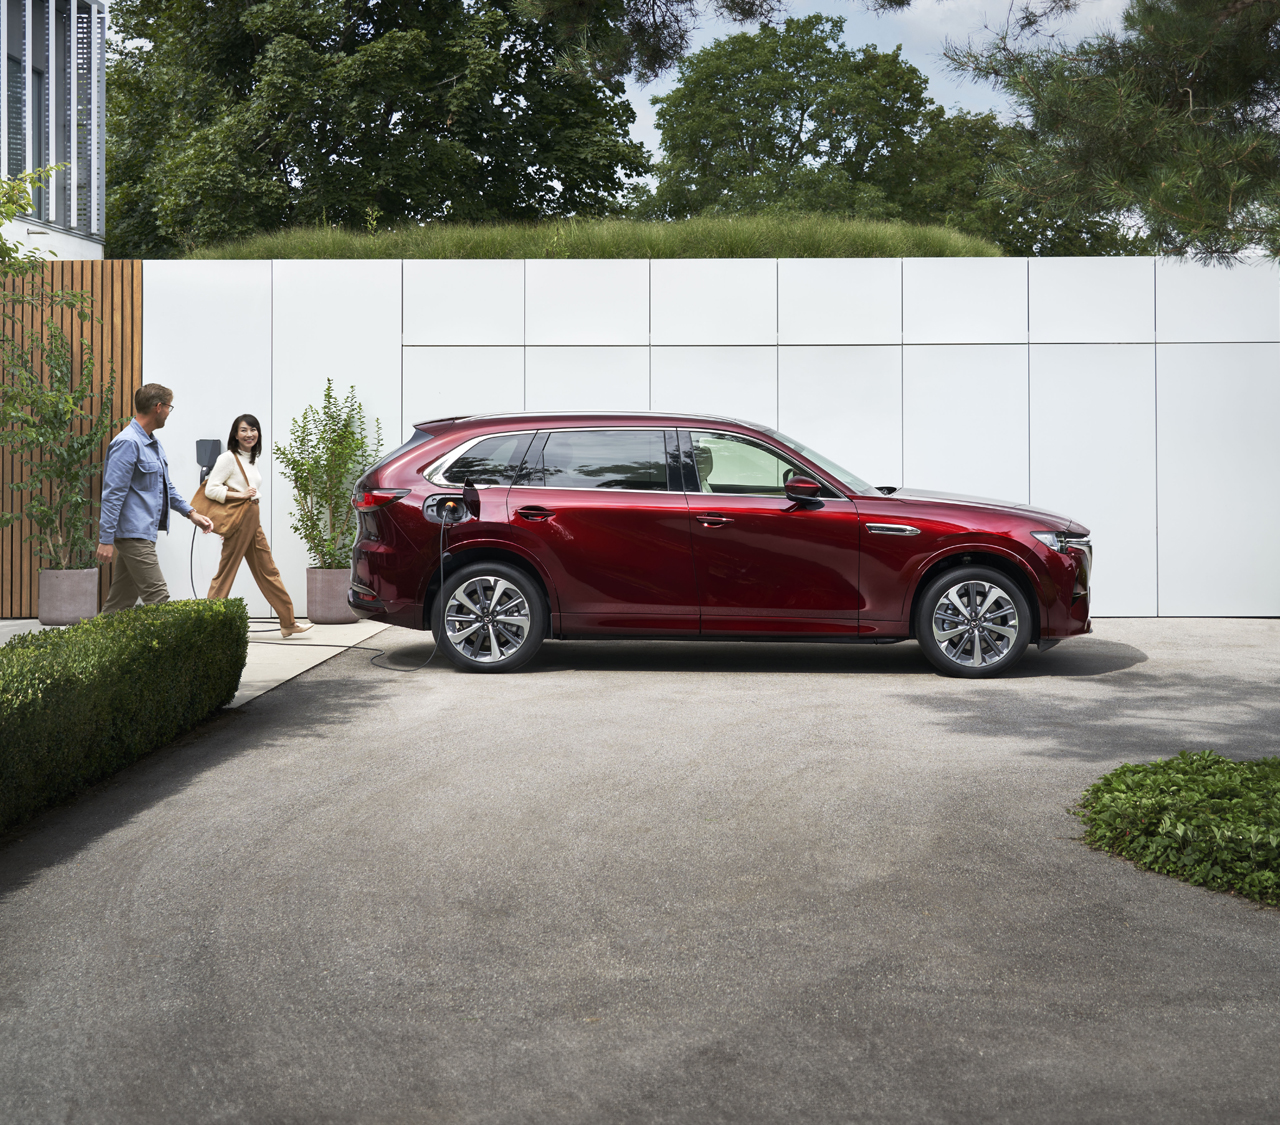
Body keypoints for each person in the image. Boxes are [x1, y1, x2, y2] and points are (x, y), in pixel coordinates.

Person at [97, 383, 215, 611]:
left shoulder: (152, 443)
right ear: (158, 407)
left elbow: (165, 487)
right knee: (158, 597)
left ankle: (95, 644)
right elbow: (113, 494)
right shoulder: (128, 443)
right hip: (133, 534)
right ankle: (177, 648)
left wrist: (191, 513)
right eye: (169, 407)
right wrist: (105, 539)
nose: (170, 413)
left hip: (143, 532)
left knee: (120, 603)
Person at [204, 413, 311, 639]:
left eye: (253, 429)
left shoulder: (252, 458)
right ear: (235, 434)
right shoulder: (228, 458)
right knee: (226, 572)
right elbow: (210, 489)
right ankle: (208, 625)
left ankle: (288, 622)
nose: (249, 434)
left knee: (268, 570)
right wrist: (240, 494)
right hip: (240, 517)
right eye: (243, 430)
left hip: (253, 516)